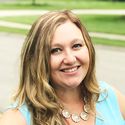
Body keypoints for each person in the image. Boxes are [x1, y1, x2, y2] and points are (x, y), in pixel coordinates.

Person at [0, 10, 125, 125]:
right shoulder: (16, 119)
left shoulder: (110, 97)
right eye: (56, 50)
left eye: (76, 46)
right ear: (36, 60)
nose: (70, 59)